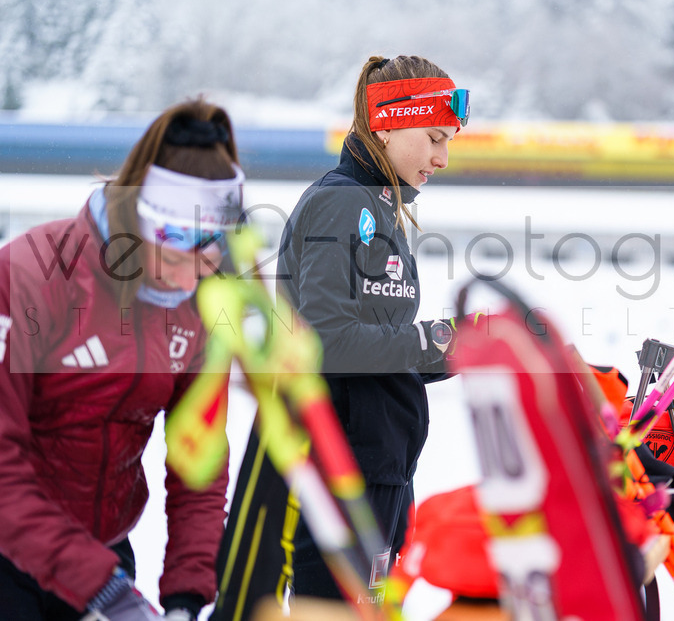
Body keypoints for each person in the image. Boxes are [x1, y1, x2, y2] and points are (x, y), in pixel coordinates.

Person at [0, 99, 243, 621]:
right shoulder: (30, 276)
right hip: (11, 554)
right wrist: (104, 591)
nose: (187, 280)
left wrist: (186, 595)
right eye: (174, 258)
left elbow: (198, 465)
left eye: (206, 260)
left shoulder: (200, 303)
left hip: (104, 556)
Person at [275, 55, 470, 600]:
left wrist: (466, 345)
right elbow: (329, 343)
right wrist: (437, 339)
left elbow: (381, 353)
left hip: (382, 466)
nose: (442, 157)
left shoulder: (380, 206)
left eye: (449, 141)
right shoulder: (342, 203)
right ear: (387, 125)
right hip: (339, 472)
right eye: (434, 138)